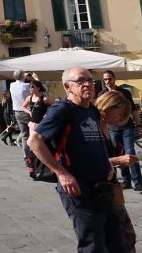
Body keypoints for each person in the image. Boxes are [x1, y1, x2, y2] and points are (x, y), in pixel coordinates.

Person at [29, 67, 126, 253]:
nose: (88, 84)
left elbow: (97, 143)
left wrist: (108, 163)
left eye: (90, 80)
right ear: (68, 86)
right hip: (78, 189)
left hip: (102, 186)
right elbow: (34, 141)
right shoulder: (61, 110)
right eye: (81, 81)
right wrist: (62, 173)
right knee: (93, 245)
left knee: (117, 243)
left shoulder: (92, 110)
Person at [93, 91, 139, 253]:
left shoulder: (106, 128)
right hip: (98, 191)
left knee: (127, 236)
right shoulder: (92, 127)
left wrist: (119, 160)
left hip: (112, 189)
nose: (121, 118)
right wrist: (116, 161)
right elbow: (86, 161)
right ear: (108, 107)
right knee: (117, 238)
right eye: (120, 113)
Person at [100, 71, 142, 192]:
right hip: (112, 129)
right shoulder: (102, 94)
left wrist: (139, 125)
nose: (108, 81)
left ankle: (137, 181)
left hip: (126, 127)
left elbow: (133, 110)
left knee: (130, 152)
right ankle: (126, 181)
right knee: (119, 155)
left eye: (110, 79)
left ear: (114, 79)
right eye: (106, 79)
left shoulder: (124, 92)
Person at [10, 70, 32, 154]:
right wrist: (32, 77)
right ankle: (33, 154)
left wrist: (24, 76)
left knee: (24, 135)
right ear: (23, 76)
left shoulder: (11, 85)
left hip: (17, 112)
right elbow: (38, 87)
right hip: (27, 111)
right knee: (33, 134)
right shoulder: (26, 85)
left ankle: (26, 156)